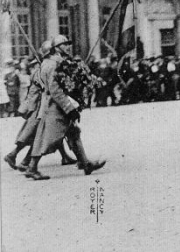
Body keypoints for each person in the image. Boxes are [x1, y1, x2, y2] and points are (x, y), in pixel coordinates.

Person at [25, 35, 106, 180]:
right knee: (49, 137)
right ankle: (31, 167)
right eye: (65, 44)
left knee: (73, 133)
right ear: (55, 49)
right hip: (55, 107)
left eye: (68, 44)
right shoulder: (52, 64)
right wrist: (69, 107)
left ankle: (85, 163)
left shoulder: (57, 62)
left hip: (57, 105)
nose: (68, 47)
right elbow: (55, 89)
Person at [4, 42, 78, 172]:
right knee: (39, 135)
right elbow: (44, 89)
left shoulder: (44, 67)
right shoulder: (42, 70)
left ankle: (64, 157)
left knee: (50, 133)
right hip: (40, 107)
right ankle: (22, 160)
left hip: (42, 106)